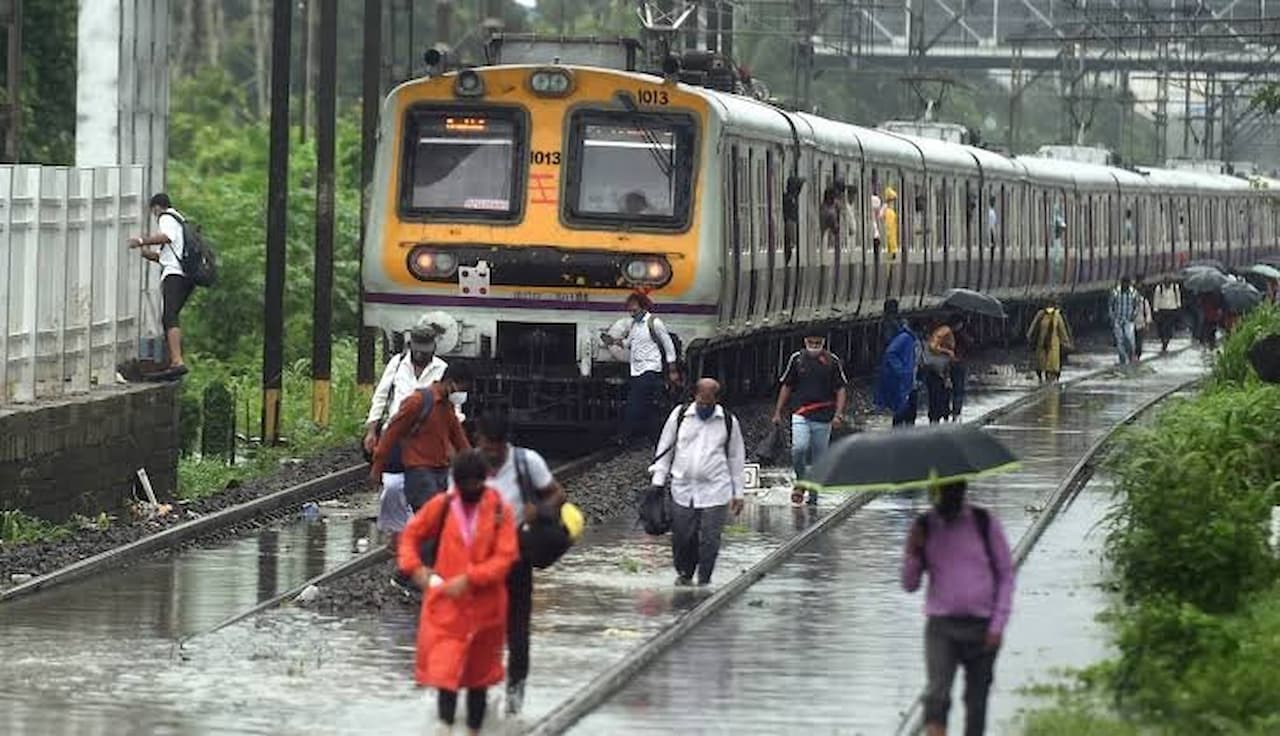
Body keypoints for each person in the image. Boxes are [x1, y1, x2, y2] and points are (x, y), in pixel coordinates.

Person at [398, 450, 519, 736]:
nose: (469, 492)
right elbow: (410, 536)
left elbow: (506, 557)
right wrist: (416, 569)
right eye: (465, 486)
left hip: (486, 609)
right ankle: (445, 728)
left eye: (475, 486)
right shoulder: (441, 506)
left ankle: (473, 731)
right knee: (444, 672)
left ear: (485, 481)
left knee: (479, 677)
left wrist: (471, 579)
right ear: (457, 482)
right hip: (446, 608)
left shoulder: (500, 510)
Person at [902, 481, 1015, 736]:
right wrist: (913, 551)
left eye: (953, 491)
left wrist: (998, 624)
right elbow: (910, 584)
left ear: (963, 491)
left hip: (982, 627)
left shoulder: (984, 523)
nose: (946, 498)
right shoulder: (925, 527)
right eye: (941, 493)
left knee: (976, 701)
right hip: (942, 628)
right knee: (937, 696)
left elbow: (1006, 575)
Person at [473, 410, 566, 718]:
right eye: (488, 447)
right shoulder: (467, 467)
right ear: (479, 441)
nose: (493, 454)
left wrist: (538, 511)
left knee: (517, 632)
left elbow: (557, 495)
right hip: (479, 563)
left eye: (498, 448)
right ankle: (479, 697)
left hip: (516, 560)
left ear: (506, 443)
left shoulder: (528, 462)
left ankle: (515, 698)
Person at [649, 378, 746, 587]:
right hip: (683, 488)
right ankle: (684, 574)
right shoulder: (680, 416)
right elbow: (665, 449)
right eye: (700, 403)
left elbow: (736, 458)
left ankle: (704, 581)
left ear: (717, 401)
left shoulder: (728, 422)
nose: (703, 408)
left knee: (710, 539)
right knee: (683, 537)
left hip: (716, 490)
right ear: (695, 397)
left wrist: (738, 493)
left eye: (708, 404)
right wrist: (657, 482)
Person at [364, 322, 449, 536]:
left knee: (424, 486)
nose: (421, 355)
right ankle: (396, 530)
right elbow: (381, 397)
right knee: (392, 486)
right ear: (412, 345)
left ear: (433, 348)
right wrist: (372, 430)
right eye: (418, 349)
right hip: (396, 433)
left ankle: (421, 532)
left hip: (427, 438)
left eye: (426, 350)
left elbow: (452, 410)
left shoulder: (442, 369)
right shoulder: (397, 363)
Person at [371, 363, 473, 512]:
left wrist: (475, 466)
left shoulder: (447, 407)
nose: (462, 395)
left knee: (436, 520)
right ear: (451, 382)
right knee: (432, 517)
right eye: (463, 389)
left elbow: (459, 439)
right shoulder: (417, 401)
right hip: (419, 471)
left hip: (440, 472)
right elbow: (390, 434)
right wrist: (377, 467)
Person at [772, 332, 849, 505]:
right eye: (811, 341)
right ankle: (801, 483)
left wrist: (838, 414)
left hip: (824, 416)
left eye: (818, 342)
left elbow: (841, 389)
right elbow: (787, 385)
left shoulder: (832, 361)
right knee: (799, 449)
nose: (814, 345)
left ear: (823, 342)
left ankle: (813, 494)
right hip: (800, 413)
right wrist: (778, 411)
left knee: (819, 457)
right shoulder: (797, 360)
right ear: (805, 341)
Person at [127, 193, 193, 375]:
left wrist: (141, 241)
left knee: (169, 317)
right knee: (170, 317)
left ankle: (177, 361)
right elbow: (170, 255)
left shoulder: (166, 217)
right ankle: (175, 360)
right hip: (185, 275)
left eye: (153, 212)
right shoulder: (180, 219)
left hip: (175, 275)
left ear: (156, 207)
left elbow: (167, 237)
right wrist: (150, 254)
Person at [603, 292, 680, 445]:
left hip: (650, 368)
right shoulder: (634, 325)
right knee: (648, 404)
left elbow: (668, 345)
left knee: (634, 402)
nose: (632, 314)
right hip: (637, 369)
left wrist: (672, 369)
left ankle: (624, 436)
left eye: (635, 310)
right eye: (630, 311)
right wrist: (612, 341)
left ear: (644, 307)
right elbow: (627, 343)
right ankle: (655, 438)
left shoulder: (655, 323)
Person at [876, 320, 920, 426]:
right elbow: (890, 354)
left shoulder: (911, 338)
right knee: (901, 409)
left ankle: (907, 434)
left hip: (910, 380)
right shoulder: (905, 338)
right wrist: (903, 371)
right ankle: (899, 435)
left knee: (910, 410)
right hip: (905, 380)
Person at [1026, 301, 1072, 383]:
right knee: (1050, 363)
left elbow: (1033, 328)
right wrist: (1066, 342)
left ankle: (1044, 377)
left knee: (1043, 363)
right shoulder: (1056, 316)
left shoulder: (1041, 314)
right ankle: (1047, 378)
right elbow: (1062, 331)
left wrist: (1029, 337)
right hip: (1051, 344)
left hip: (1043, 343)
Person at [923, 321, 955, 424]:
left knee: (941, 397)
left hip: (941, 374)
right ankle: (935, 418)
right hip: (934, 373)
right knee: (936, 397)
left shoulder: (945, 349)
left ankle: (940, 417)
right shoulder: (934, 346)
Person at [1108, 276, 1139, 365]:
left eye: (1127, 284)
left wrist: (1134, 315)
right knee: (1119, 340)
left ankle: (1131, 355)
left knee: (1129, 338)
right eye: (1124, 284)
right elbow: (1111, 305)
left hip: (1129, 320)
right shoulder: (1115, 292)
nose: (1125, 286)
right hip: (1118, 319)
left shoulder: (1133, 293)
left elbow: (1137, 305)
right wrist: (1112, 317)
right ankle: (1122, 358)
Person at [948, 314, 973, 422]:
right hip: (958, 364)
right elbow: (970, 343)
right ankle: (956, 412)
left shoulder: (947, 333)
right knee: (958, 389)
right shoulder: (960, 334)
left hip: (950, 363)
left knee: (952, 389)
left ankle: (953, 411)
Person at [1151, 278, 1182, 352]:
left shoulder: (1175, 287)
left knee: (1169, 326)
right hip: (1162, 310)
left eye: (1168, 283)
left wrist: (1178, 307)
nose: (1167, 285)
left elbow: (1178, 297)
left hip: (1172, 309)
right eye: (1166, 283)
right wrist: (1155, 310)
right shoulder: (1159, 288)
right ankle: (1163, 340)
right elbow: (1156, 299)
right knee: (1161, 327)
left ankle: (1166, 340)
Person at [1133, 279, 1154, 360]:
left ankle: (1137, 355)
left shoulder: (1144, 301)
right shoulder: (1129, 300)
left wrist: (1147, 324)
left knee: (1139, 341)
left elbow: (1148, 313)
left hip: (1140, 324)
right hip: (1130, 324)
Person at [883, 186, 900, 260]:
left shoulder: (889, 211)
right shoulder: (888, 211)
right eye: (893, 200)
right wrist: (892, 249)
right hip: (889, 248)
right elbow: (889, 231)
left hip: (890, 247)